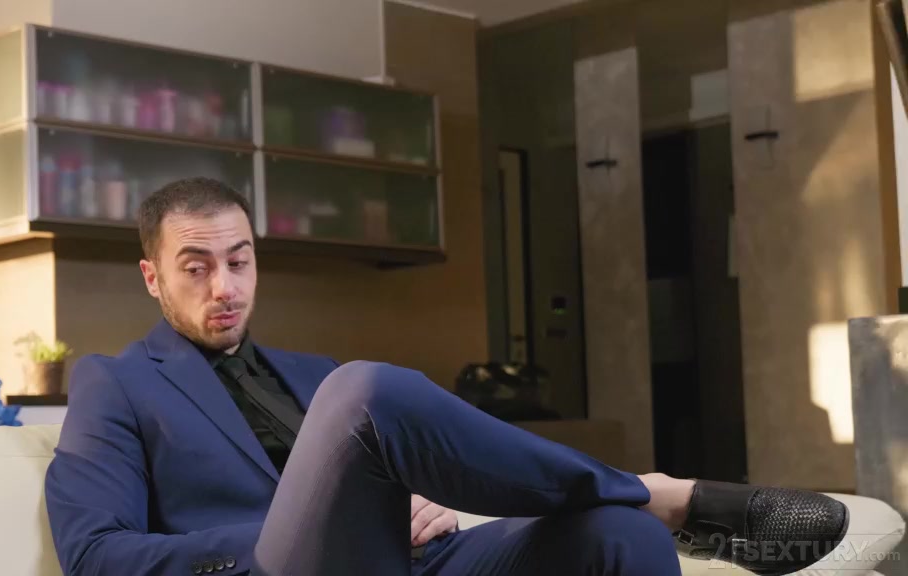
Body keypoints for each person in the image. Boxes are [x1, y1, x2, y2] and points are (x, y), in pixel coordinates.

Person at [45, 177, 849, 576]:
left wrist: (402, 505)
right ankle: (661, 491)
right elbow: (94, 555)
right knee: (365, 391)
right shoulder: (115, 383)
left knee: (620, 538)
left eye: (240, 260)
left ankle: (639, 507)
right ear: (153, 277)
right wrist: (299, 525)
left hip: (411, 562)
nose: (224, 286)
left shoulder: (306, 373)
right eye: (196, 266)